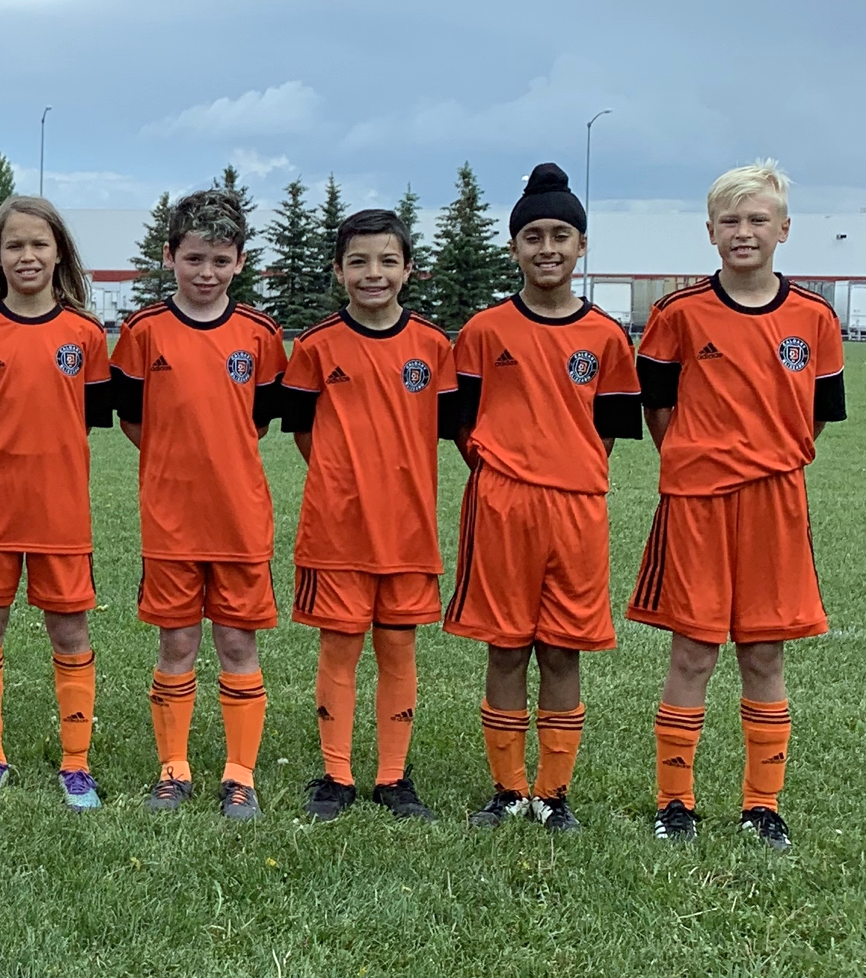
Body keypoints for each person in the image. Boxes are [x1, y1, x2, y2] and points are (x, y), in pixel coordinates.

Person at [631, 161, 843, 850]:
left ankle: (761, 804)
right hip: (695, 504)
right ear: (709, 230)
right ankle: (674, 801)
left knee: (762, 650)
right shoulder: (678, 314)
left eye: (757, 219)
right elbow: (658, 409)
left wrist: (763, 460)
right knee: (691, 652)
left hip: (774, 502)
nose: (743, 231)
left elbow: (811, 419)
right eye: (730, 219)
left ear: (783, 229)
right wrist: (700, 459)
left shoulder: (812, 317)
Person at [445, 163, 641, 831]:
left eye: (560, 234)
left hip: (576, 507)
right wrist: (505, 468)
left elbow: (608, 432)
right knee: (505, 645)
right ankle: (507, 790)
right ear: (514, 248)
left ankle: (553, 794)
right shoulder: (482, 331)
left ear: (580, 245)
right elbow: (461, 423)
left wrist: (566, 468)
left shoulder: (607, 337)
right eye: (533, 236)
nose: (546, 248)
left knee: (562, 648)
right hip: (501, 504)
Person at [110, 189, 286, 820]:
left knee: (238, 645)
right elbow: (134, 419)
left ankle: (240, 776)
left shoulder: (261, 335)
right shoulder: (142, 332)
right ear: (170, 257)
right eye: (194, 259)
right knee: (177, 645)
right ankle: (173, 769)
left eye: (220, 259)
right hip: (170, 523)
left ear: (240, 261)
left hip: (239, 521)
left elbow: (258, 421)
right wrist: (175, 464)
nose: (206, 273)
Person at [285, 209, 461, 823]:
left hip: (408, 533)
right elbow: (304, 433)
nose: (373, 273)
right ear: (338, 271)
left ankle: (393, 777)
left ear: (408, 269)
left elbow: (442, 430)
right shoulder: (314, 347)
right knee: (339, 648)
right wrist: (343, 480)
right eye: (358, 261)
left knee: (398, 646)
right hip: (337, 532)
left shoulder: (434, 348)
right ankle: (336, 775)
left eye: (387, 261)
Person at [0, 196, 113, 810]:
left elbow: (87, 420)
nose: (28, 255)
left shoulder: (86, 336)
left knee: (69, 630)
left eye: (39, 244)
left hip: (60, 513)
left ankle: (76, 764)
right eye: (14, 245)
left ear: (59, 251)